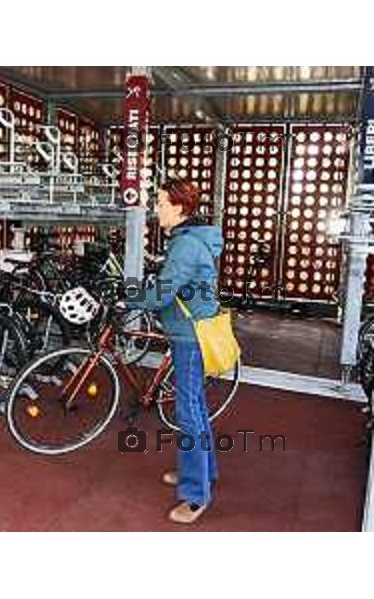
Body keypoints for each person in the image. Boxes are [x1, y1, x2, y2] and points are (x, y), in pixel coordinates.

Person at [127, 179, 223, 524]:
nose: (157, 209)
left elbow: (164, 293)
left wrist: (130, 295)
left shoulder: (185, 246)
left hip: (190, 338)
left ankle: (196, 496)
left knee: (189, 412)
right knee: (195, 407)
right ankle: (201, 473)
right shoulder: (191, 240)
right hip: (193, 333)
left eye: (162, 203)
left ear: (179, 208)